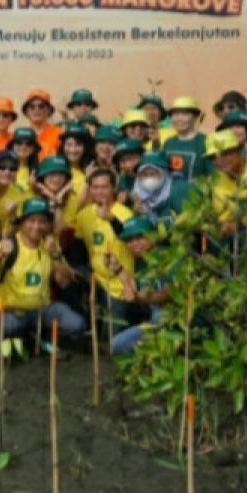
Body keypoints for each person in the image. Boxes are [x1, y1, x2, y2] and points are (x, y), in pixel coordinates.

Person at [0, 198, 84, 350]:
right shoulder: (10, 244)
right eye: (31, 221)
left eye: (42, 221)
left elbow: (63, 282)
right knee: (9, 326)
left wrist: (55, 254)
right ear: (22, 223)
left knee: (76, 324)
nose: (36, 226)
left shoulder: (50, 245)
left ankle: (35, 335)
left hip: (41, 309)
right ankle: (34, 337)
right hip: (12, 311)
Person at [73, 168, 135, 329]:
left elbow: (133, 242)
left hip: (119, 285)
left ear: (114, 188)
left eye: (104, 187)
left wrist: (111, 220)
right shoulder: (83, 215)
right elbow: (77, 254)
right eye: (95, 187)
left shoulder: (125, 214)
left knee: (114, 340)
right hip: (95, 281)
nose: (99, 191)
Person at [108, 216, 170, 355]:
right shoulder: (140, 261)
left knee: (159, 316)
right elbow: (136, 289)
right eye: (129, 240)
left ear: (152, 236)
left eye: (139, 237)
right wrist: (118, 269)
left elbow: (166, 294)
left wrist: (139, 298)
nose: (134, 244)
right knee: (116, 345)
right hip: (155, 322)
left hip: (175, 321)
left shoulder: (167, 256)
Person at [201, 129, 246, 237]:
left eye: (225, 153)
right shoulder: (217, 180)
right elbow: (224, 218)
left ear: (238, 151)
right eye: (213, 157)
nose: (219, 160)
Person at [131, 152, 190, 226]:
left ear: (164, 173)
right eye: (144, 174)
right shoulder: (138, 195)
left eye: (153, 173)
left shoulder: (180, 190)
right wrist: (141, 215)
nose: (149, 178)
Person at [161, 97, 210, 182]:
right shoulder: (168, 143)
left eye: (185, 114)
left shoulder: (206, 142)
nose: (179, 119)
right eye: (175, 114)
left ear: (195, 117)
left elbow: (212, 176)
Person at [0, 150, 30, 235]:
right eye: (1, 167)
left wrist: (13, 216)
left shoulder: (19, 195)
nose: (7, 172)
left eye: (13, 169)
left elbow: (12, 235)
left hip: (1, 239)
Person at [22, 89, 61, 156]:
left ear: (49, 110)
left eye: (41, 106)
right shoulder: (21, 135)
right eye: (32, 106)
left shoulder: (59, 134)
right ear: (27, 111)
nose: (37, 110)